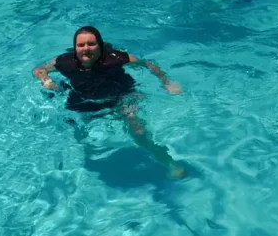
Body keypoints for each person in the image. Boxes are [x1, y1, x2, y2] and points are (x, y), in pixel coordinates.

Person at [32, 26, 186, 177]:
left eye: (91, 44)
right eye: (81, 45)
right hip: (84, 98)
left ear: (100, 46)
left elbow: (147, 63)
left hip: (121, 96)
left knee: (138, 130)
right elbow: (39, 70)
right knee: (80, 134)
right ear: (75, 48)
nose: (86, 49)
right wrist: (46, 80)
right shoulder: (65, 62)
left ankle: (169, 163)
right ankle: (85, 160)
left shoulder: (115, 58)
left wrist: (167, 82)